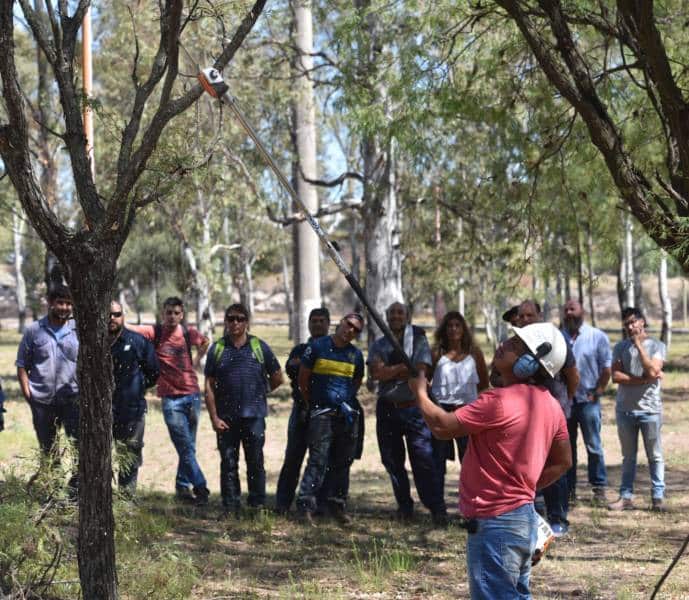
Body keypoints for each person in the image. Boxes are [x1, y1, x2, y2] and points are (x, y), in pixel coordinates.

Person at [409, 322, 572, 599]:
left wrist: (420, 393)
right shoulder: (552, 405)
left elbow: (442, 427)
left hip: (495, 525)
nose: (503, 345)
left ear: (528, 364)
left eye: (514, 345)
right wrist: (526, 490)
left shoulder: (498, 401)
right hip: (523, 519)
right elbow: (564, 461)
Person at [368, 302, 446, 524]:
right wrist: (402, 368)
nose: (395, 316)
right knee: (392, 460)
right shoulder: (378, 344)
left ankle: (436, 508)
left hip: (413, 408)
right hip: (387, 409)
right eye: (391, 313)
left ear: (407, 316)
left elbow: (420, 369)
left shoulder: (418, 339)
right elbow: (377, 374)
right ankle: (404, 506)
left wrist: (390, 371)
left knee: (422, 459)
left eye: (400, 312)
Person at [128, 296, 210, 504]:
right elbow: (131, 328)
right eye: (168, 312)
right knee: (183, 444)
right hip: (170, 399)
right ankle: (201, 486)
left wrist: (197, 360)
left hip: (192, 395)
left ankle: (182, 486)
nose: (172, 316)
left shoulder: (188, 333)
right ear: (163, 313)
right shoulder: (155, 332)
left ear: (181, 315)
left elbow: (205, 342)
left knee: (189, 445)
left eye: (176, 313)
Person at [204, 303, 283, 516]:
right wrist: (213, 417)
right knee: (229, 463)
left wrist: (259, 391)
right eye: (230, 319)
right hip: (226, 418)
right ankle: (230, 505)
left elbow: (277, 376)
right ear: (225, 322)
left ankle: (257, 505)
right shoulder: (218, 349)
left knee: (255, 462)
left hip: (254, 417)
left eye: (240, 318)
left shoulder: (259, 347)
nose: (235, 323)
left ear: (247, 322)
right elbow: (209, 386)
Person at [296, 312, 365, 526]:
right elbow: (303, 379)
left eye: (355, 329)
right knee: (317, 460)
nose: (350, 330)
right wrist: (315, 402)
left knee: (343, 461)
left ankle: (336, 504)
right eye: (348, 324)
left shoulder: (355, 355)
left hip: (345, 416)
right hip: (320, 414)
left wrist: (343, 401)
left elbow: (356, 381)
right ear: (340, 323)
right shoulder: (317, 347)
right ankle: (305, 506)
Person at [517, 300, 578, 536]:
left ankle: (558, 517)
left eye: (529, 315)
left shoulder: (555, 339)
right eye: (521, 316)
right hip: (524, 417)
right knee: (529, 467)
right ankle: (531, 514)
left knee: (556, 466)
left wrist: (562, 404)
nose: (524, 320)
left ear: (539, 316)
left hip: (554, 414)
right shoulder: (515, 343)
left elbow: (573, 376)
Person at [16, 285, 79, 489]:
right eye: (60, 302)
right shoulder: (34, 331)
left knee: (79, 447)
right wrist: (28, 394)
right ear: (50, 303)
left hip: (72, 401)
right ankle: (55, 492)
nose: (64, 307)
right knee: (48, 450)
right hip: (42, 403)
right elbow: (22, 365)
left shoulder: (78, 330)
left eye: (68, 303)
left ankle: (76, 491)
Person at [608, 307, 667, 512]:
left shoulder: (657, 345)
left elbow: (653, 369)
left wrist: (639, 346)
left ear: (642, 321)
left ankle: (657, 497)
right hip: (625, 410)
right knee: (628, 457)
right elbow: (615, 376)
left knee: (655, 455)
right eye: (626, 324)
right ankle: (626, 497)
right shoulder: (619, 347)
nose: (630, 326)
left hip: (650, 410)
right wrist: (643, 380)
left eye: (633, 322)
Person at [275, 307, 331, 514]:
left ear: (328, 324)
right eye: (313, 321)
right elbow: (292, 367)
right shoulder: (299, 349)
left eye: (321, 321)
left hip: (325, 414)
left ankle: (316, 504)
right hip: (301, 410)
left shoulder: (335, 349)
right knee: (293, 458)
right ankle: (282, 503)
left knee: (320, 460)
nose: (317, 324)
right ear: (308, 324)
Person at [429, 311, 489, 502]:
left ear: (464, 329)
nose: (454, 329)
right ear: (444, 329)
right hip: (441, 410)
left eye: (457, 325)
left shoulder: (474, 354)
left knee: (470, 461)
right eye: (450, 326)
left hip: (467, 411)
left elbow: (484, 385)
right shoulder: (436, 353)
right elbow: (425, 381)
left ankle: (472, 505)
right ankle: (438, 509)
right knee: (437, 461)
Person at [562, 299, 611, 506]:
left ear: (582, 311)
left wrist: (598, 391)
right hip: (566, 403)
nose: (569, 313)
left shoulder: (596, 336)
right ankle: (569, 490)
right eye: (566, 310)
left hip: (588, 401)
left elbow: (606, 368)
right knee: (567, 448)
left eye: (572, 309)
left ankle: (598, 489)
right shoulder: (559, 338)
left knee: (593, 446)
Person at [109, 301, 160, 494]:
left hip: (131, 411)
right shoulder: (94, 343)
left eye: (116, 314)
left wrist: (136, 387)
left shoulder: (138, 342)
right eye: (108, 315)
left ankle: (126, 502)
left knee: (129, 459)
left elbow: (154, 372)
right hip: (100, 414)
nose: (111, 319)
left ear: (123, 316)